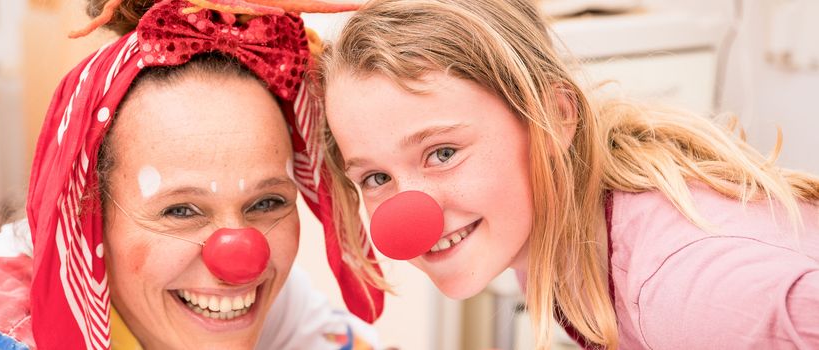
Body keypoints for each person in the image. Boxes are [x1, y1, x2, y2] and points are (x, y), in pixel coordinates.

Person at [0, 0, 383, 348]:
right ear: (87, 216)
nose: (241, 257)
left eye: (267, 202)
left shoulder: (257, 293)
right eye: (180, 210)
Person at [317, 0, 819, 348]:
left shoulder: (686, 290)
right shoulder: (553, 233)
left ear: (554, 117)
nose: (410, 218)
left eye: (443, 152)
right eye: (376, 178)